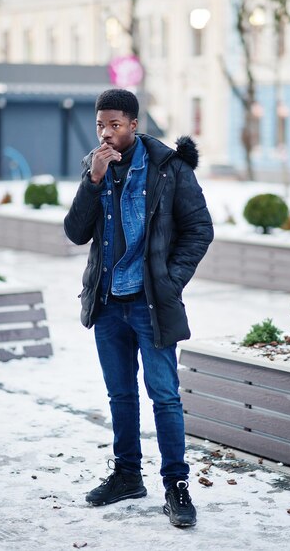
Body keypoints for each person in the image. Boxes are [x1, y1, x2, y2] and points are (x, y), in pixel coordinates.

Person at [64, 88, 213, 528]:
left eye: (115, 124)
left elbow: (199, 229)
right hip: (108, 304)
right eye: (100, 125)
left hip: (151, 305)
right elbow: (75, 233)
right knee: (121, 395)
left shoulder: (170, 168)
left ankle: (176, 485)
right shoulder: (98, 167)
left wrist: (169, 280)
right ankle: (127, 474)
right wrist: (92, 181)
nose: (106, 133)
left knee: (164, 396)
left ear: (133, 123)